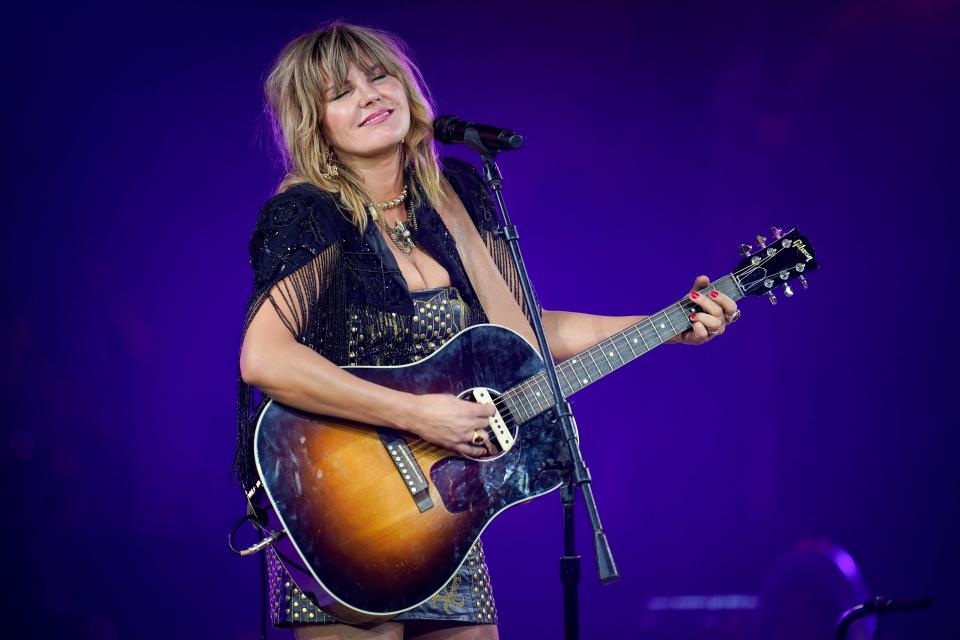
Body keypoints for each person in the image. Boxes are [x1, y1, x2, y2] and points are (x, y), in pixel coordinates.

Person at [234, 21, 739, 640]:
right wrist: (418, 416)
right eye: (341, 92)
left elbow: (525, 339)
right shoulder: (308, 213)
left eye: (378, 76)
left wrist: (666, 325)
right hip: (334, 508)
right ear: (316, 124)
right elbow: (265, 359)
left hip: (440, 511)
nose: (369, 95)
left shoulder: (457, 197)